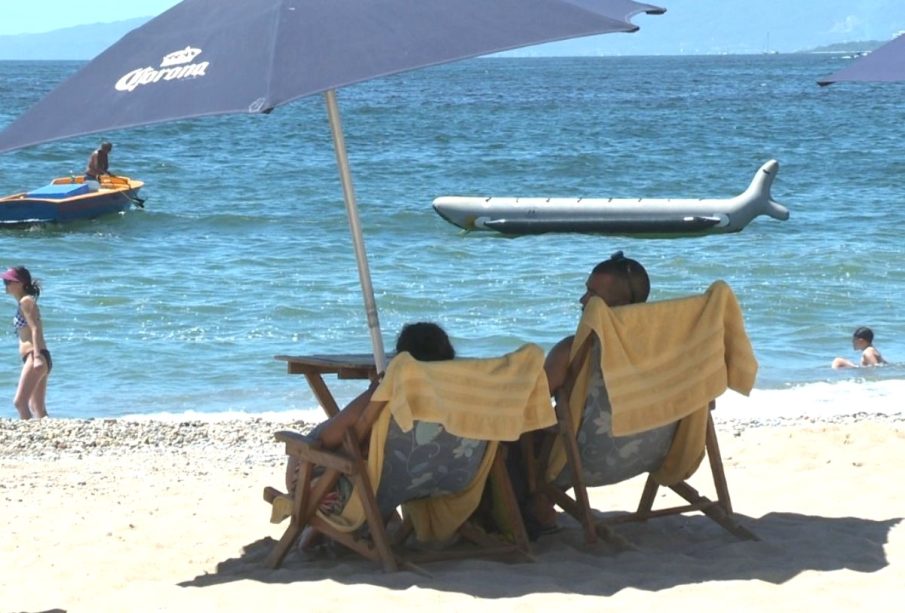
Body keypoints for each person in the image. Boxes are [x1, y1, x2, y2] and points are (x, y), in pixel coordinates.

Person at [515, 251, 651, 538]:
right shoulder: (667, 348)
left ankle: (536, 511)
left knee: (518, 433)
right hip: (654, 450)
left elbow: (529, 402)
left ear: (619, 304)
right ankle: (542, 505)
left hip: (588, 457)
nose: (582, 301)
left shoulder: (575, 349)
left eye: (591, 294)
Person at [285, 322, 455, 491]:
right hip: (434, 485)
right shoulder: (461, 401)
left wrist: (374, 391)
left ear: (400, 361)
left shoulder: (387, 395)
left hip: (355, 491)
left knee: (307, 444)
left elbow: (327, 437)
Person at [3, 266, 51, 419]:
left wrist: (36, 358)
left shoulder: (26, 301)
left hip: (35, 356)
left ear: (20, 284)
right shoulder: (24, 302)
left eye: (8, 281)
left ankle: (32, 436)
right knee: (37, 407)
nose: (5, 284)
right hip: (38, 356)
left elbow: (35, 329)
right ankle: (46, 436)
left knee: (20, 402)